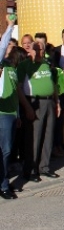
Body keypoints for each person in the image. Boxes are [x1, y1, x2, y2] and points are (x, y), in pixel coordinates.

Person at [17, 40, 62, 182]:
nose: (39, 52)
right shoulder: (24, 65)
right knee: (34, 138)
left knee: (48, 135)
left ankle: (44, 167)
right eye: (36, 49)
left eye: (41, 49)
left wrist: (58, 102)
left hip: (49, 101)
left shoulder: (46, 64)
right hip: (34, 102)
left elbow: (53, 84)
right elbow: (18, 88)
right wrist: (27, 107)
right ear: (30, 50)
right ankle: (31, 169)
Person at [0, 17, 20, 199]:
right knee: (4, 150)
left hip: (12, 114)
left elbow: (15, 94)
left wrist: (18, 114)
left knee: (7, 150)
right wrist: (10, 27)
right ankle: (4, 184)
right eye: (9, 47)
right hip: (2, 114)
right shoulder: (1, 66)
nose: (10, 50)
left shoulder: (13, 68)